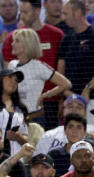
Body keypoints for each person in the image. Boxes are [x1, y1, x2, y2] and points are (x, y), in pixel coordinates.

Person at [3, 0, 65, 129]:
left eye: (25, 12)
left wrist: (59, 99)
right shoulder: (11, 39)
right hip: (21, 107)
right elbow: (8, 78)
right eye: (21, 12)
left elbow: (62, 70)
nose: (22, 16)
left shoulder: (56, 35)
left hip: (51, 102)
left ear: (37, 11)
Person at [8, 27, 71, 117]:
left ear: (27, 44)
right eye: (13, 41)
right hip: (15, 117)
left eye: (17, 41)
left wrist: (44, 96)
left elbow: (66, 84)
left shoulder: (38, 66)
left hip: (34, 117)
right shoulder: (12, 65)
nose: (12, 44)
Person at [58, 0, 94, 102]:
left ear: (78, 13)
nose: (63, 18)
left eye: (66, 14)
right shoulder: (66, 39)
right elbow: (60, 73)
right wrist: (69, 94)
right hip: (71, 101)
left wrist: (88, 89)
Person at [48, 113, 88, 177]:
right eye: (71, 127)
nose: (74, 131)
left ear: (85, 132)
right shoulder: (53, 155)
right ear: (65, 130)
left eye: (79, 127)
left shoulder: (90, 156)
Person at [0, 68, 28, 157]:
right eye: (10, 77)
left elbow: (26, 140)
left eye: (16, 80)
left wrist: (18, 137)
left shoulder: (21, 109)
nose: (13, 82)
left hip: (16, 161)